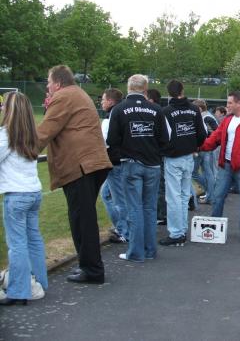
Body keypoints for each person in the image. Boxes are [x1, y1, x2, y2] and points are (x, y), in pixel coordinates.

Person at [37, 65, 112, 284]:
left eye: (49, 82)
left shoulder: (63, 97)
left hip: (81, 166)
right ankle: (90, 267)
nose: (48, 86)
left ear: (58, 83)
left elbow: (45, 131)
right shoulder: (77, 93)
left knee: (82, 220)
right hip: (92, 164)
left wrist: (20, 150)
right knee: (83, 218)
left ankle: (92, 270)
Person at [107, 74, 167, 262]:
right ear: (145, 89)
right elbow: (165, 139)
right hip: (153, 165)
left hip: (131, 163)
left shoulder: (119, 109)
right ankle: (149, 250)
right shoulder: (157, 110)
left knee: (134, 208)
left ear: (128, 88)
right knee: (149, 209)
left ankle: (136, 252)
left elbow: (111, 140)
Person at [0, 92, 48, 305]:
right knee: (34, 239)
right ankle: (38, 282)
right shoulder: (32, 135)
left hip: (16, 195)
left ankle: (19, 291)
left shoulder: (5, 135)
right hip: (33, 193)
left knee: (17, 244)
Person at [200, 91, 240, 243]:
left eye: (229, 103)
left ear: (239, 103)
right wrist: (200, 147)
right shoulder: (227, 120)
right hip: (226, 165)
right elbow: (215, 137)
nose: (227, 106)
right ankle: (214, 227)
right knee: (217, 197)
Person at [160, 81, 207, 246]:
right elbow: (202, 133)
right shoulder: (194, 109)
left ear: (169, 92)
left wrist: (167, 150)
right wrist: (194, 146)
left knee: (173, 196)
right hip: (189, 156)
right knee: (183, 194)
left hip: (174, 158)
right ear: (182, 90)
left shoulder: (166, 111)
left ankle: (176, 233)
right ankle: (181, 230)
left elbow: (162, 136)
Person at [99, 88, 128, 244]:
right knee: (108, 195)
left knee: (118, 199)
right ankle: (121, 227)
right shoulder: (123, 114)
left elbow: (105, 142)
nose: (101, 103)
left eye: (103, 100)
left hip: (115, 162)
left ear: (110, 101)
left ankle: (124, 231)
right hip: (121, 161)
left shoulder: (110, 118)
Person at [191, 99, 218, 205]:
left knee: (196, 173)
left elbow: (214, 132)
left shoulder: (205, 117)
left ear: (199, 108)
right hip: (208, 147)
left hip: (203, 147)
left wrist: (207, 141)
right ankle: (211, 193)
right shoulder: (208, 116)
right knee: (208, 172)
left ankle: (211, 192)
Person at [147, 89, 167, 225]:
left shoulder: (157, 113)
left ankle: (161, 215)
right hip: (158, 155)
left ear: (151, 100)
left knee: (160, 186)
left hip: (157, 155)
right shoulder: (160, 112)